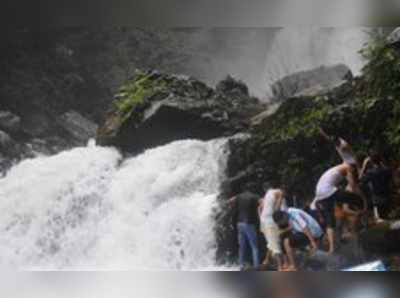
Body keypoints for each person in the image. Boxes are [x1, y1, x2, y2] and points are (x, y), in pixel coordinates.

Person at [310, 163, 366, 254]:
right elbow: (353, 185)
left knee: (330, 221)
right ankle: (366, 219)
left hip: (320, 193)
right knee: (356, 199)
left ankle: (332, 248)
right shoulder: (348, 167)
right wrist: (362, 197)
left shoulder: (335, 170)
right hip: (328, 191)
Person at [219, 191, 261, 270]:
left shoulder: (239, 196)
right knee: (254, 246)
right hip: (249, 223)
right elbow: (262, 203)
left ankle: (241, 265)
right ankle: (256, 266)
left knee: (242, 246)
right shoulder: (254, 196)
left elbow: (229, 201)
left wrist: (230, 208)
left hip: (240, 223)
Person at [259, 181, 287, 270]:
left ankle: (266, 261)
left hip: (263, 220)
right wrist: (277, 212)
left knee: (271, 241)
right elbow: (278, 206)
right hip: (270, 220)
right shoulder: (277, 191)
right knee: (276, 243)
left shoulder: (266, 195)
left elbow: (260, 208)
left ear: (264, 189)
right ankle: (280, 267)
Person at [360, 153, 393, 222]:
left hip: (377, 199)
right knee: (387, 218)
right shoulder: (387, 170)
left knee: (380, 220)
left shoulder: (370, 173)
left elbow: (361, 180)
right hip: (388, 197)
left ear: (371, 162)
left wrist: (364, 165)